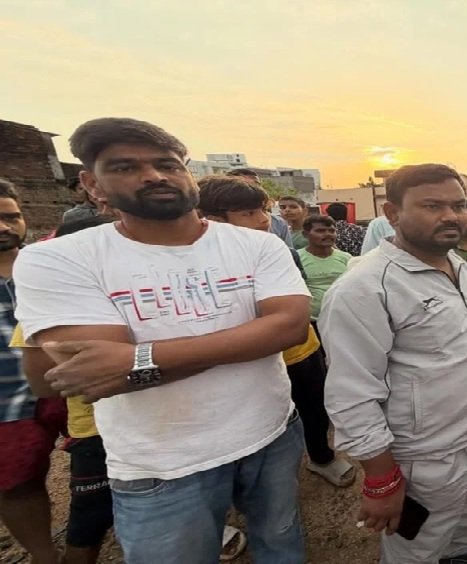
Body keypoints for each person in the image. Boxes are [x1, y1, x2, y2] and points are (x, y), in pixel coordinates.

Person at [13, 118, 310, 563]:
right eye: (125, 167)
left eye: (167, 164)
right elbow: (89, 375)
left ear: (187, 173)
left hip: (271, 432)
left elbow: (290, 328)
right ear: (92, 184)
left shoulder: (257, 246)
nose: (153, 175)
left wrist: (136, 359)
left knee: (281, 542)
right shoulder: (57, 258)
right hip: (160, 460)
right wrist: (252, 337)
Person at [319, 163, 467, 564]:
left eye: (458, 205)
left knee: (461, 506)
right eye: (432, 206)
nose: (451, 216)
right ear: (392, 213)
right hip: (427, 452)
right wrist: (382, 480)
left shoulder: (461, 268)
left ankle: (459, 550)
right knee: (418, 543)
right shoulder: (364, 288)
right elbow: (351, 395)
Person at [196, 175, 355, 488]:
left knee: (315, 407)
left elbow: (293, 313)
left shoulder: (282, 252)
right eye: (249, 213)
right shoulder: (198, 264)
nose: (263, 220)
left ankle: (321, 457)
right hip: (243, 361)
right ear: (213, 219)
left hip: (300, 351)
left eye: (263, 210)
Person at [0, 178, 66, 564]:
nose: (4, 227)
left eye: (12, 217)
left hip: (78, 389)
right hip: (7, 400)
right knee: (17, 481)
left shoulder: (50, 264)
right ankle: (44, 554)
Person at [298, 214, 351, 319]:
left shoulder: (346, 258)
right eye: (320, 231)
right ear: (305, 234)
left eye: (331, 231)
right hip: (310, 322)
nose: (328, 234)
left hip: (342, 318)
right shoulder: (296, 258)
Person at [225, 168, 295, 248]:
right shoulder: (220, 227)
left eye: (256, 184)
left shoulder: (279, 223)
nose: (264, 219)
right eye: (244, 185)